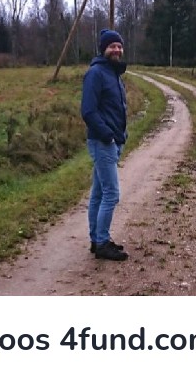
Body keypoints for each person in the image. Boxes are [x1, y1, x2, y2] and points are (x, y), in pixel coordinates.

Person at [81, 29, 129, 261]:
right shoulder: (96, 73)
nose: (116, 50)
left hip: (113, 140)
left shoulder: (113, 73)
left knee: (99, 193)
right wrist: (108, 135)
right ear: (103, 49)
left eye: (119, 46)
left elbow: (116, 107)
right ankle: (101, 242)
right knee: (111, 194)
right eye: (112, 46)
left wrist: (121, 134)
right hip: (102, 141)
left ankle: (97, 239)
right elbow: (88, 111)